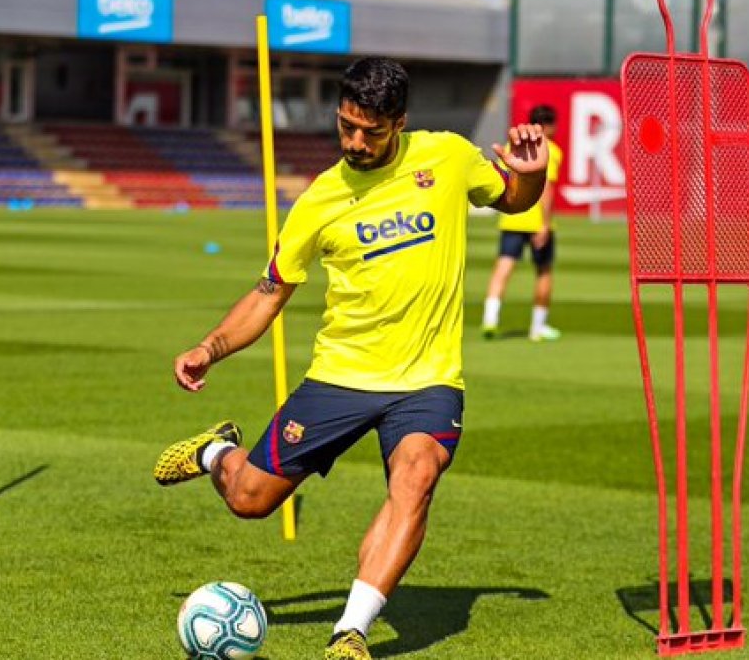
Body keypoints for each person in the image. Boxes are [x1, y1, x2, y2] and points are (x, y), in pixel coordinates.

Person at [153, 57, 548, 660]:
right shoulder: (319, 201)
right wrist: (211, 347)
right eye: (346, 127)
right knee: (249, 500)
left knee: (416, 479)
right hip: (341, 376)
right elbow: (269, 293)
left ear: (401, 122)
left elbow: (516, 200)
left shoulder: (446, 156)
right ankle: (215, 451)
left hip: (427, 378)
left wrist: (531, 175)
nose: (356, 142)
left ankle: (350, 633)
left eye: (371, 131)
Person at [481, 104, 565, 342]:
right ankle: (537, 329)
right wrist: (545, 224)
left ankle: (490, 320)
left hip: (512, 217)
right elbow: (546, 189)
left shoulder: (511, 146)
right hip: (536, 221)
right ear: (548, 126)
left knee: (503, 269)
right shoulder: (550, 149)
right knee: (544, 272)